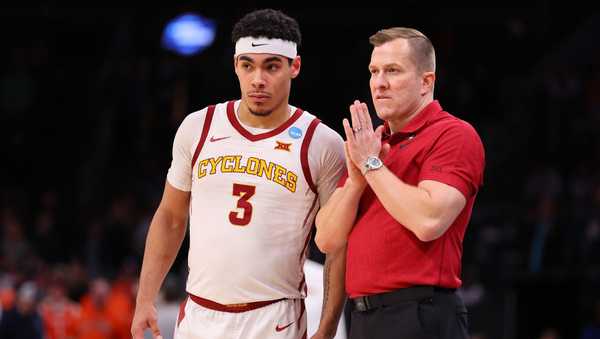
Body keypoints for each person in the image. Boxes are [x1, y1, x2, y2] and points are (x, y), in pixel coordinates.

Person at [131, 8, 347, 339]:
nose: (258, 79)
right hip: (199, 315)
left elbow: (339, 244)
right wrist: (145, 299)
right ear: (236, 66)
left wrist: (328, 327)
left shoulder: (323, 143)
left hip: (275, 318)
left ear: (295, 67)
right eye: (248, 65)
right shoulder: (197, 127)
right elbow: (170, 218)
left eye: (272, 66)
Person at [315, 27, 485, 339]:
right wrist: (356, 180)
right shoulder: (371, 144)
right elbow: (326, 238)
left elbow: (428, 219)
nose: (379, 83)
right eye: (374, 71)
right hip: (364, 318)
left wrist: (370, 164)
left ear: (426, 81)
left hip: (420, 314)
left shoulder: (453, 135)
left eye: (393, 71)